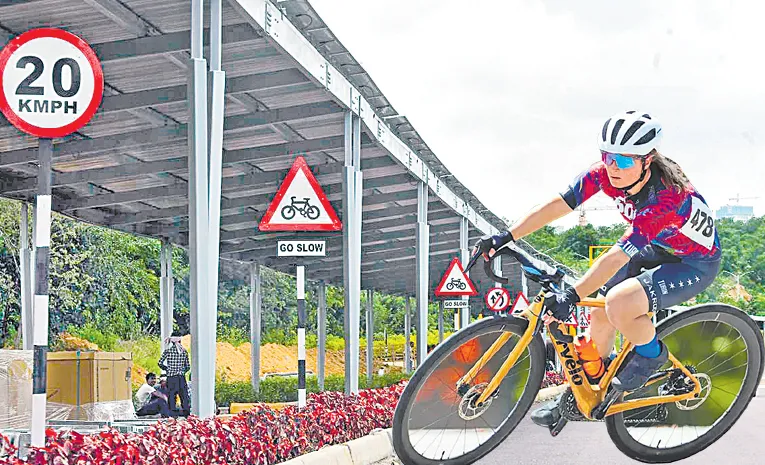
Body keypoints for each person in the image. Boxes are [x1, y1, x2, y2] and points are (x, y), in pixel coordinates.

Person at [474, 111, 721, 428]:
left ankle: (651, 354)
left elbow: (617, 256)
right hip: (655, 246)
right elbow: (556, 205)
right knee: (599, 314)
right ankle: (582, 398)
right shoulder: (602, 174)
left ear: (647, 161)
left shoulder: (666, 199)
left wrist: (572, 294)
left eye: (624, 160)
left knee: (618, 304)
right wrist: (506, 236)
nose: (613, 166)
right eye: (607, 156)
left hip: (693, 262)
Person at [158, 334, 191, 417]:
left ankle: (173, 416)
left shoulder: (168, 351)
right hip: (181, 378)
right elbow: (187, 366)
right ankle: (187, 415)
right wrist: (182, 371)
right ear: (180, 341)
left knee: (172, 397)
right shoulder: (184, 351)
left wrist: (167, 369)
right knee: (184, 397)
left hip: (171, 378)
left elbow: (160, 363)